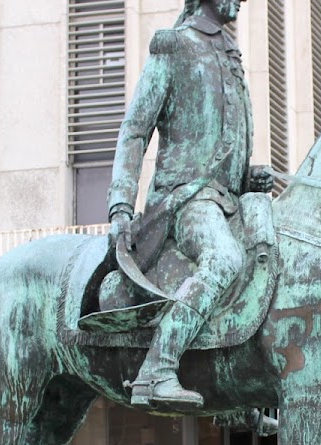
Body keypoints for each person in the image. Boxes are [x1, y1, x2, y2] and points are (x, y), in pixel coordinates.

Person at [106, 0, 271, 409]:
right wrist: (121, 206)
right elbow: (134, 131)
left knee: (273, 258)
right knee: (225, 259)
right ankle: (157, 370)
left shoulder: (228, 52)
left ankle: (238, 399)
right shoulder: (174, 45)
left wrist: (249, 177)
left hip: (227, 199)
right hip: (184, 199)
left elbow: (217, 143)